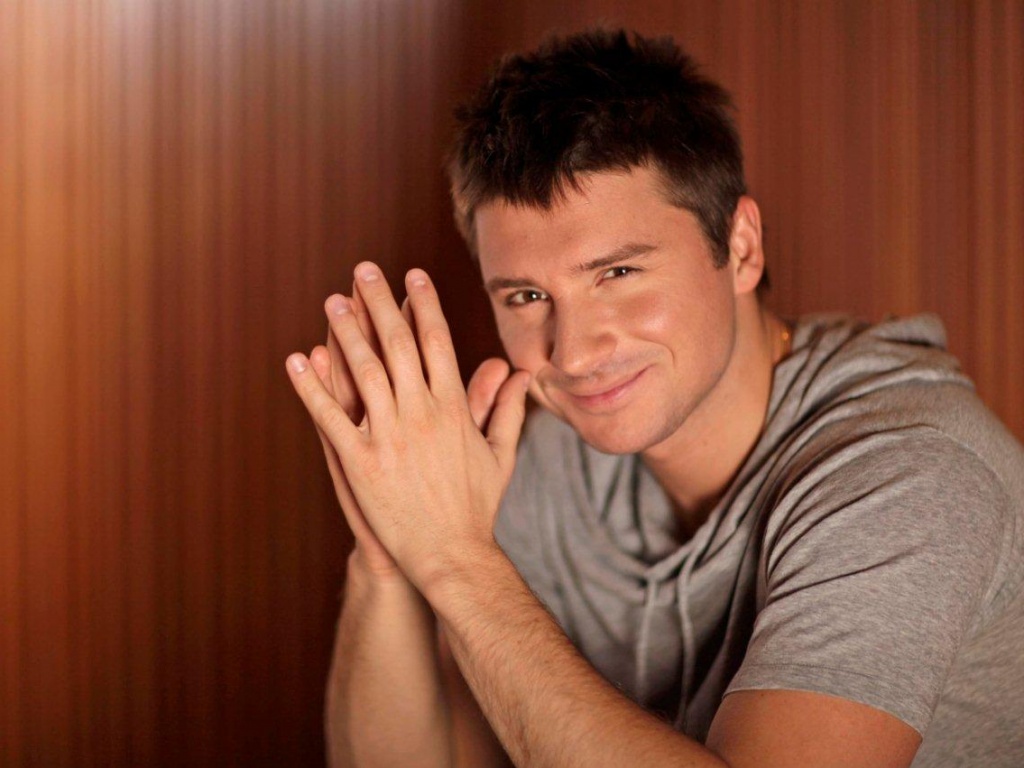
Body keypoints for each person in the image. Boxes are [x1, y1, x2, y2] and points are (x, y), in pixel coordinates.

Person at [286, 29, 1024, 768]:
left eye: (618, 274)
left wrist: (455, 561)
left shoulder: (913, 475)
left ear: (740, 247)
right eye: (527, 296)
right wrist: (389, 551)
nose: (573, 354)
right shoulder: (550, 460)